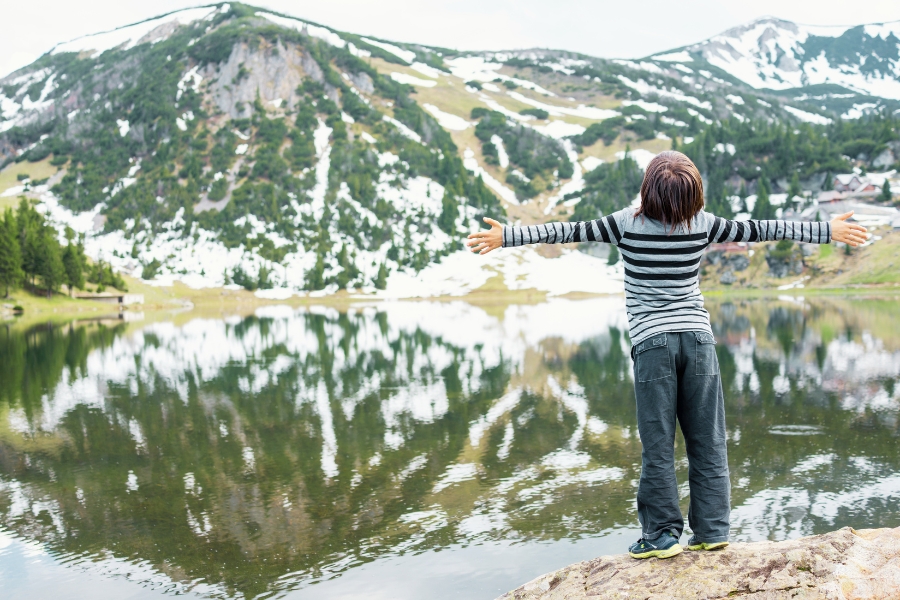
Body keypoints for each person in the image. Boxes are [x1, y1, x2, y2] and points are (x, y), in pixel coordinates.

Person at [465, 151, 867, 560]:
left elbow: (566, 231)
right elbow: (761, 227)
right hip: (699, 341)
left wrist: (506, 237)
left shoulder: (624, 224)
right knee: (708, 440)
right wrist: (826, 230)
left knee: (658, 445)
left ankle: (661, 536)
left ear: (648, 188)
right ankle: (711, 530)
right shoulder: (704, 225)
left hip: (652, 346)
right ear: (694, 194)